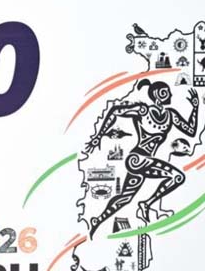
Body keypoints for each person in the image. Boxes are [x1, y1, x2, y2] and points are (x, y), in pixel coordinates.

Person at [84, 79, 197, 238]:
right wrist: (98, 136)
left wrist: (195, 107)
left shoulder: (171, 115)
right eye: (166, 92)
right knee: (177, 177)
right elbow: (115, 110)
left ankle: (97, 220)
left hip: (143, 162)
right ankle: (146, 204)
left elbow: (191, 131)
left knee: (125, 198)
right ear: (158, 95)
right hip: (137, 158)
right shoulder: (143, 110)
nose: (171, 94)